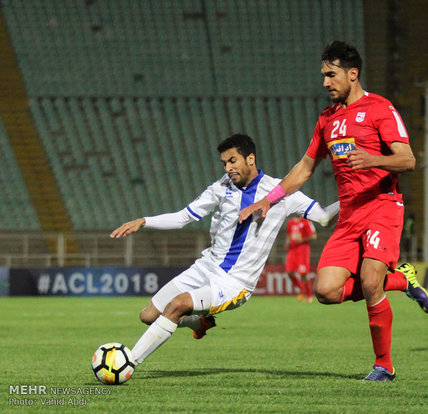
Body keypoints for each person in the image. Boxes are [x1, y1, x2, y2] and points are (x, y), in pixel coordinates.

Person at [239, 40, 428, 381]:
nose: (325, 82)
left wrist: (373, 159)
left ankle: (383, 365)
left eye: (331, 75)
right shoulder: (327, 120)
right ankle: (402, 279)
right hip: (349, 216)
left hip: (383, 207)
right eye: (324, 75)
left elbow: (409, 159)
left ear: (352, 74)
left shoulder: (380, 109)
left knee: (370, 281)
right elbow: (304, 168)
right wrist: (269, 198)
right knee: (326, 292)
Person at [110, 134, 339, 368]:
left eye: (232, 161)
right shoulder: (220, 188)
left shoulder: (280, 192)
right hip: (206, 266)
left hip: (234, 283)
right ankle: (199, 323)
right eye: (224, 163)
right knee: (148, 316)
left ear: (250, 159)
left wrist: (351, 199)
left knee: (178, 304)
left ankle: (127, 363)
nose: (228, 168)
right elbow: (183, 218)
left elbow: (323, 217)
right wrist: (143, 221)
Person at [285, 215, 317, 302]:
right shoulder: (290, 222)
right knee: (289, 272)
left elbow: (314, 236)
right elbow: (289, 234)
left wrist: (302, 240)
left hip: (303, 250)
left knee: (303, 273)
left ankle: (309, 295)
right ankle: (302, 289)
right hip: (292, 249)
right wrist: (287, 242)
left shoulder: (306, 222)